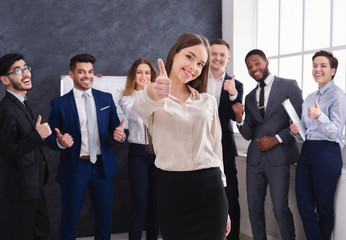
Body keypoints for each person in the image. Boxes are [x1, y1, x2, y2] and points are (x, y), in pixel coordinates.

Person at [134, 32, 231, 240]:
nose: (194, 67)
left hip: (211, 189)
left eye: (200, 64)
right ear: (174, 54)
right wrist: (154, 90)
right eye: (189, 57)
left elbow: (216, 149)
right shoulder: (154, 98)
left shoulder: (208, 101)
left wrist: (225, 206)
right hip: (173, 191)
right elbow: (142, 103)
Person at [45, 54, 126, 240]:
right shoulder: (59, 104)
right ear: (71, 74)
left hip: (102, 167)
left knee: (104, 220)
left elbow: (117, 129)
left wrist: (121, 137)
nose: (87, 75)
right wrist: (59, 142)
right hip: (75, 168)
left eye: (90, 71)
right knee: (69, 220)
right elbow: (50, 136)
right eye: (81, 71)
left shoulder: (106, 99)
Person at [232, 49, 303, 240]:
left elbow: (300, 122)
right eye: (249, 66)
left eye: (256, 63)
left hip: (279, 158)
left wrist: (276, 139)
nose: (253, 68)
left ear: (266, 62)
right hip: (255, 160)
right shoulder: (249, 97)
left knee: (280, 207)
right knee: (254, 206)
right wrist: (239, 118)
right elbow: (247, 133)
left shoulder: (289, 86)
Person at [290, 50, 346, 240]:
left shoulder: (338, 95)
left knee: (323, 208)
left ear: (333, 70)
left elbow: (336, 132)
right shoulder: (310, 97)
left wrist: (320, 116)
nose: (317, 69)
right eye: (315, 65)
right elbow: (305, 132)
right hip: (307, 151)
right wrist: (296, 130)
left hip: (327, 152)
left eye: (323, 66)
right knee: (304, 206)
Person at [0, 53, 52, 240]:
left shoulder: (22, 103)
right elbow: (7, 152)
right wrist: (38, 136)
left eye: (26, 68)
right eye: (18, 71)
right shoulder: (6, 109)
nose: (26, 73)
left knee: (41, 231)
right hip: (21, 190)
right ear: (4, 79)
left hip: (33, 184)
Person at [119, 58, 159, 240]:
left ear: (152, 76)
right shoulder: (126, 98)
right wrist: (148, 95)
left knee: (156, 204)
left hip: (159, 153)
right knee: (140, 203)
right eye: (140, 72)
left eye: (147, 73)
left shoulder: (162, 98)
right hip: (138, 154)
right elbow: (136, 114)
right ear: (133, 76)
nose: (144, 76)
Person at [207, 38, 243, 240]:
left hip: (225, 147)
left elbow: (236, 116)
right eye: (214, 54)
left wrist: (232, 95)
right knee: (202, 194)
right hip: (199, 145)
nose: (218, 58)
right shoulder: (196, 80)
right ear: (208, 55)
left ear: (228, 58)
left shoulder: (236, 85)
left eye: (222, 55)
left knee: (230, 197)